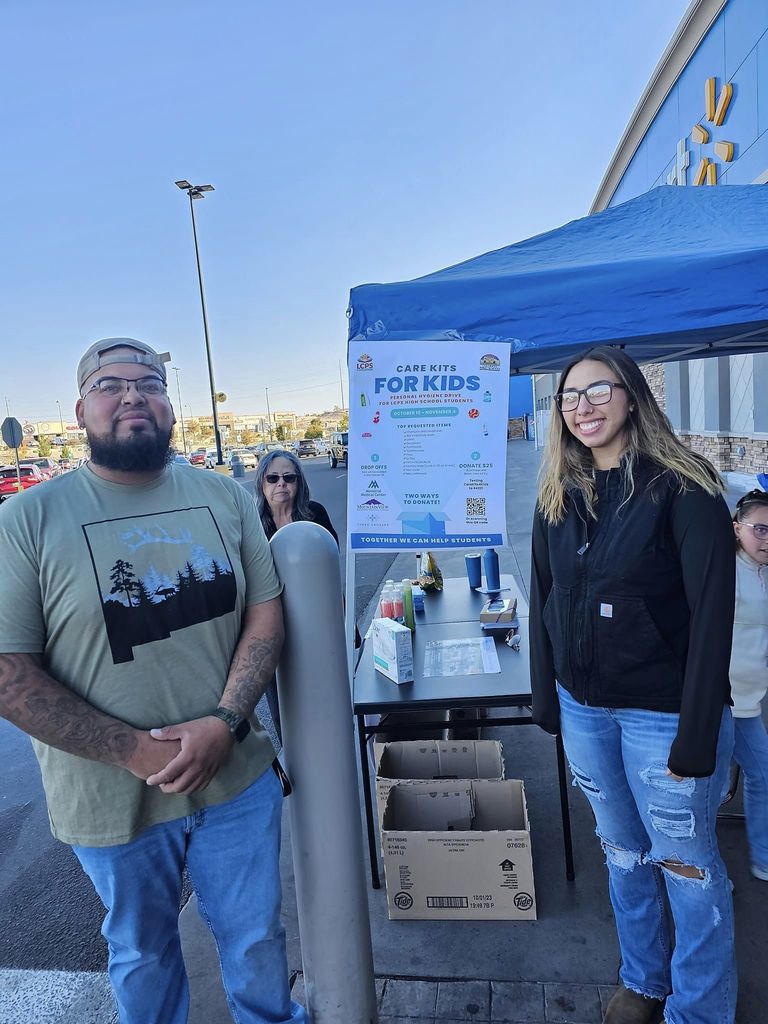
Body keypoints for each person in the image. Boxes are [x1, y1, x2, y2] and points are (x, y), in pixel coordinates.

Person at [0, 338, 306, 1024]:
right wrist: (135, 751)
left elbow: (265, 617)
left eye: (151, 383)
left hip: (237, 779)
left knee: (258, 940)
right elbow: (8, 674)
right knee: (142, 953)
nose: (134, 395)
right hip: (112, 796)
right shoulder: (25, 520)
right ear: (81, 410)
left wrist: (225, 723)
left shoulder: (225, 496)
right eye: (111, 384)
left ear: (171, 407)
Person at [529, 346, 736, 1024]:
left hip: (663, 715)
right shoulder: (559, 489)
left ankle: (699, 1010)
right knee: (622, 852)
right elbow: (545, 594)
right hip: (584, 709)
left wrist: (698, 733)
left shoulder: (683, 484)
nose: (582, 407)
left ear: (631, 396)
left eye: (597, 391)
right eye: (569, 397)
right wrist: (544, 692)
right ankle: (644, 981)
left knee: (687, 866)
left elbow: (712, 614)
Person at [730, 488, 768, 880]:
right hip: (724, 700)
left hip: (749, 698)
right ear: (737, 527)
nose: (767, 540)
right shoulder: (723, 571)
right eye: (760, 529)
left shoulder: (763, 572)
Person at [254, 448, 339, 545]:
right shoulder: (252, 522)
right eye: (272, 478)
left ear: (299, 482)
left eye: (289, 477)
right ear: (261, 483)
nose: (281, 483)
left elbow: (332, 552)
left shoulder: (315, 513)